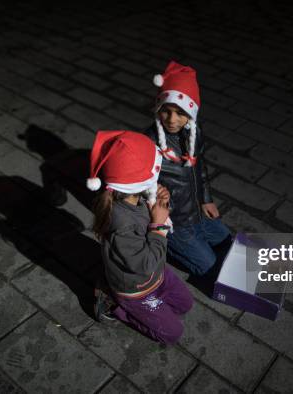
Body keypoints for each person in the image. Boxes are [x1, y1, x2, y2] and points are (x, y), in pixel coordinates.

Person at [87, 130, 193, 345]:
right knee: (172, 334)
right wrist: (159, 226)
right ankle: (115, 306)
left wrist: (157, 203)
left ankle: (153, 307)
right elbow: (143, 264)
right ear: (139, 182)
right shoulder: (122, 223)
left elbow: (149, 225)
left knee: (185, 304)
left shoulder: (133, 197)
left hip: (155, 272)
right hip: (135, 288)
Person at [144, 60, 232, 281]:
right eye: (166, 111)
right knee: (211, 269)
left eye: (180, 113)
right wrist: (159, 223)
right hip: (176, 224)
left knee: (227, 242)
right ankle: (167, 247)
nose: (172, 120)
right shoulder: (149, 142)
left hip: (197, 211)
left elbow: (199, 167)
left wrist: (206, 199)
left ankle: (192, 244)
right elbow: (141, 187)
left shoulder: (194, 131)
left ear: (191, 112)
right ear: (158, 108)